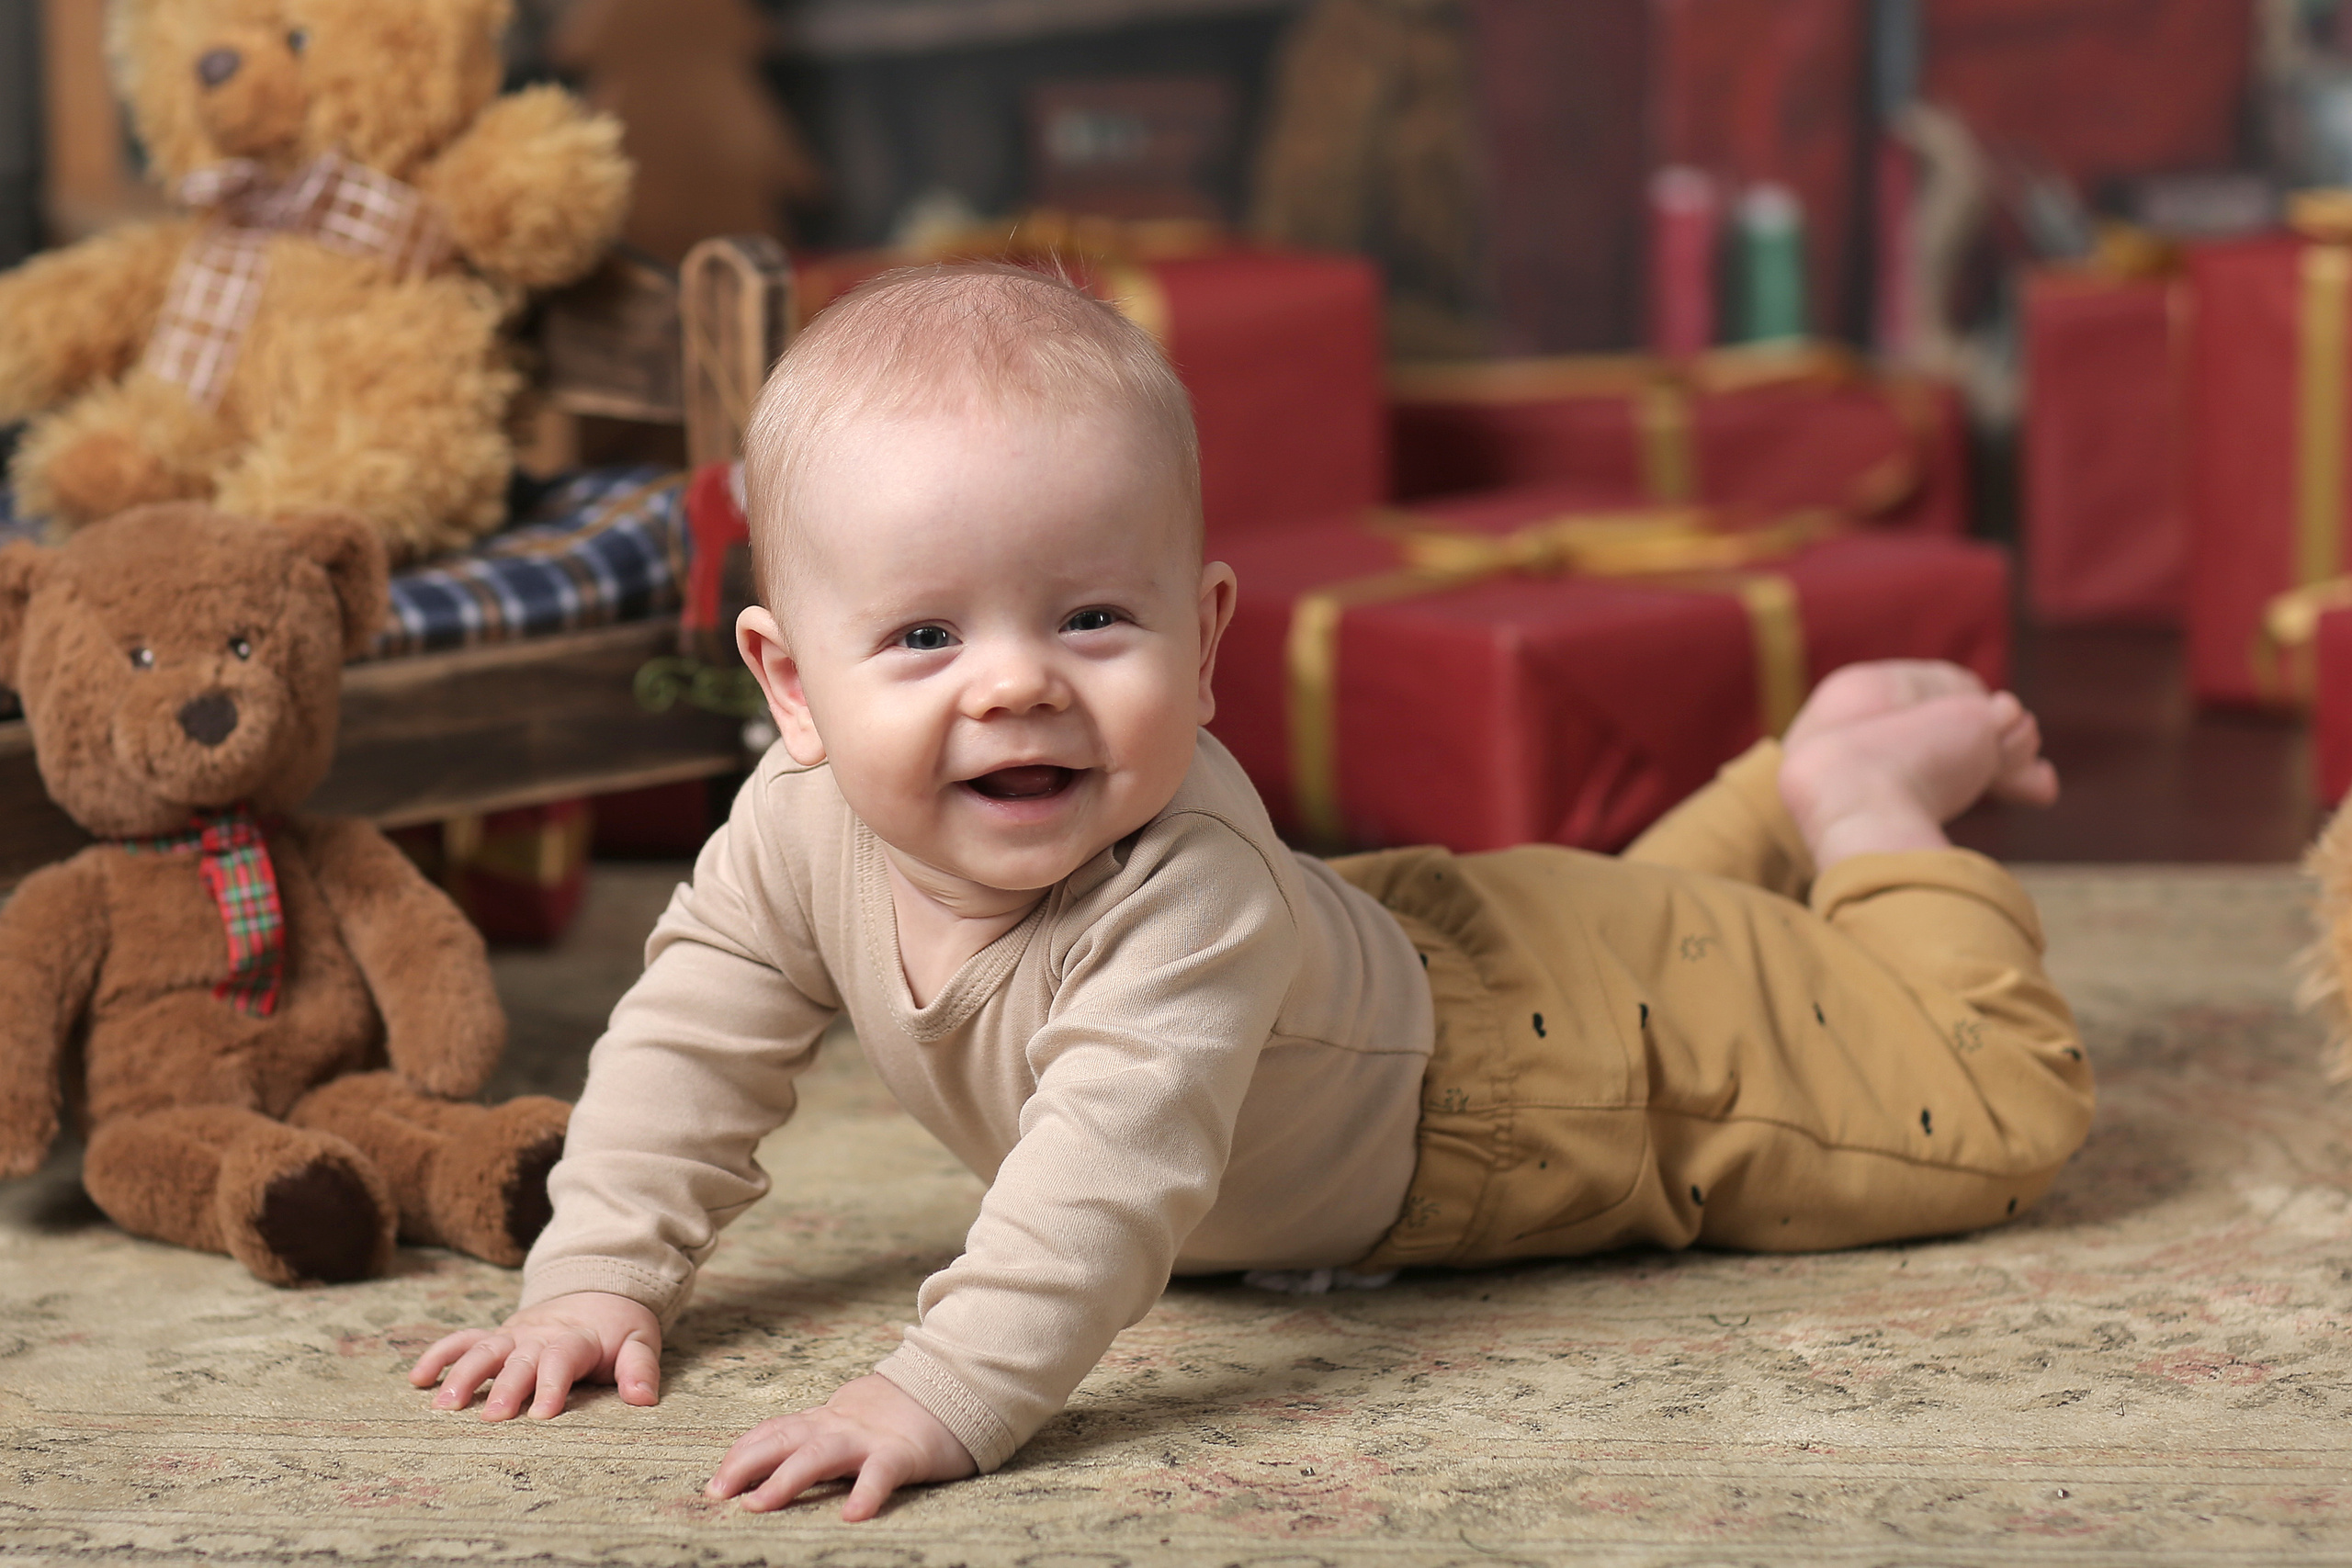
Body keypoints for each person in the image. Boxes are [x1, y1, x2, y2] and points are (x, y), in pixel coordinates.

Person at [408, 263, 2094, 1520]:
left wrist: (939, 1390)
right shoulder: (791, 825)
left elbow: (1103, 1185)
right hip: (1414, 940)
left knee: (1992, 1115)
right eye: (925, 636)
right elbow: (685, 1038)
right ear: (788, 684)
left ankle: (1863, 811)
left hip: (1536, 1085)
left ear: (1205, 640)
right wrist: (598, 1274)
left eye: (1090, 619)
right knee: (1619, 917)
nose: (1013, 688)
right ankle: (1765, 798)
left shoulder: (1183, 894)